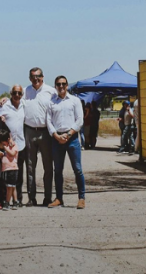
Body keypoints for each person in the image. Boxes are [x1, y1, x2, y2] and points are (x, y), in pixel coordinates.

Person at [47, 76, 85, 209]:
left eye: (63, 84)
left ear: (67, 85)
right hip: (57, 139)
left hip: (72, 138)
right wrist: (56, 136)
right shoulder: (51, 102)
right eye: (58, 84)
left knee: (78, 169)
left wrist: (69, 134)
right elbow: (49, 121)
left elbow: (80, 120)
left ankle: (81, 198)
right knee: (57, 170)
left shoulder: (75, 101)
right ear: (55, 86)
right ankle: (59, 198)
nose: (61, 86)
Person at [22, 67, 57, 206]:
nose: (35, 79)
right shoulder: (25, 91)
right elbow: (15, 101)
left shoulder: (51, 91)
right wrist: (5, 99)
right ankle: (31, 197)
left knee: (48, 167)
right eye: (33, 76)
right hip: (29, 131)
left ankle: (47, 197)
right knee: (30, 167)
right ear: (29, 78)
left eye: (38, 76)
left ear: (43, 77)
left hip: (45, 133)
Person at [0, 84, 27, 206]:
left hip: (20, 144)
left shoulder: (24, 105)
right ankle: (4, 199)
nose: (17, 95)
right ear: (11, 93)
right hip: (6, 145)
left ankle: (17, 199)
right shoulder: (4, 105)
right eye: (14, 93)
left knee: (18, 174)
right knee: (5, 173)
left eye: (19, 93)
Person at [0, 129, 18, 211]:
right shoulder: (3, 147)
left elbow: (12, 154)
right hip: (5, 169)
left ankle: (7, 202)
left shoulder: (13, 146)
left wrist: (6, 148)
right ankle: (15, 201)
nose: (3, 144)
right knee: (12, 187)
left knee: (10, 187)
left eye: (4, 142)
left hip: (12, 168)